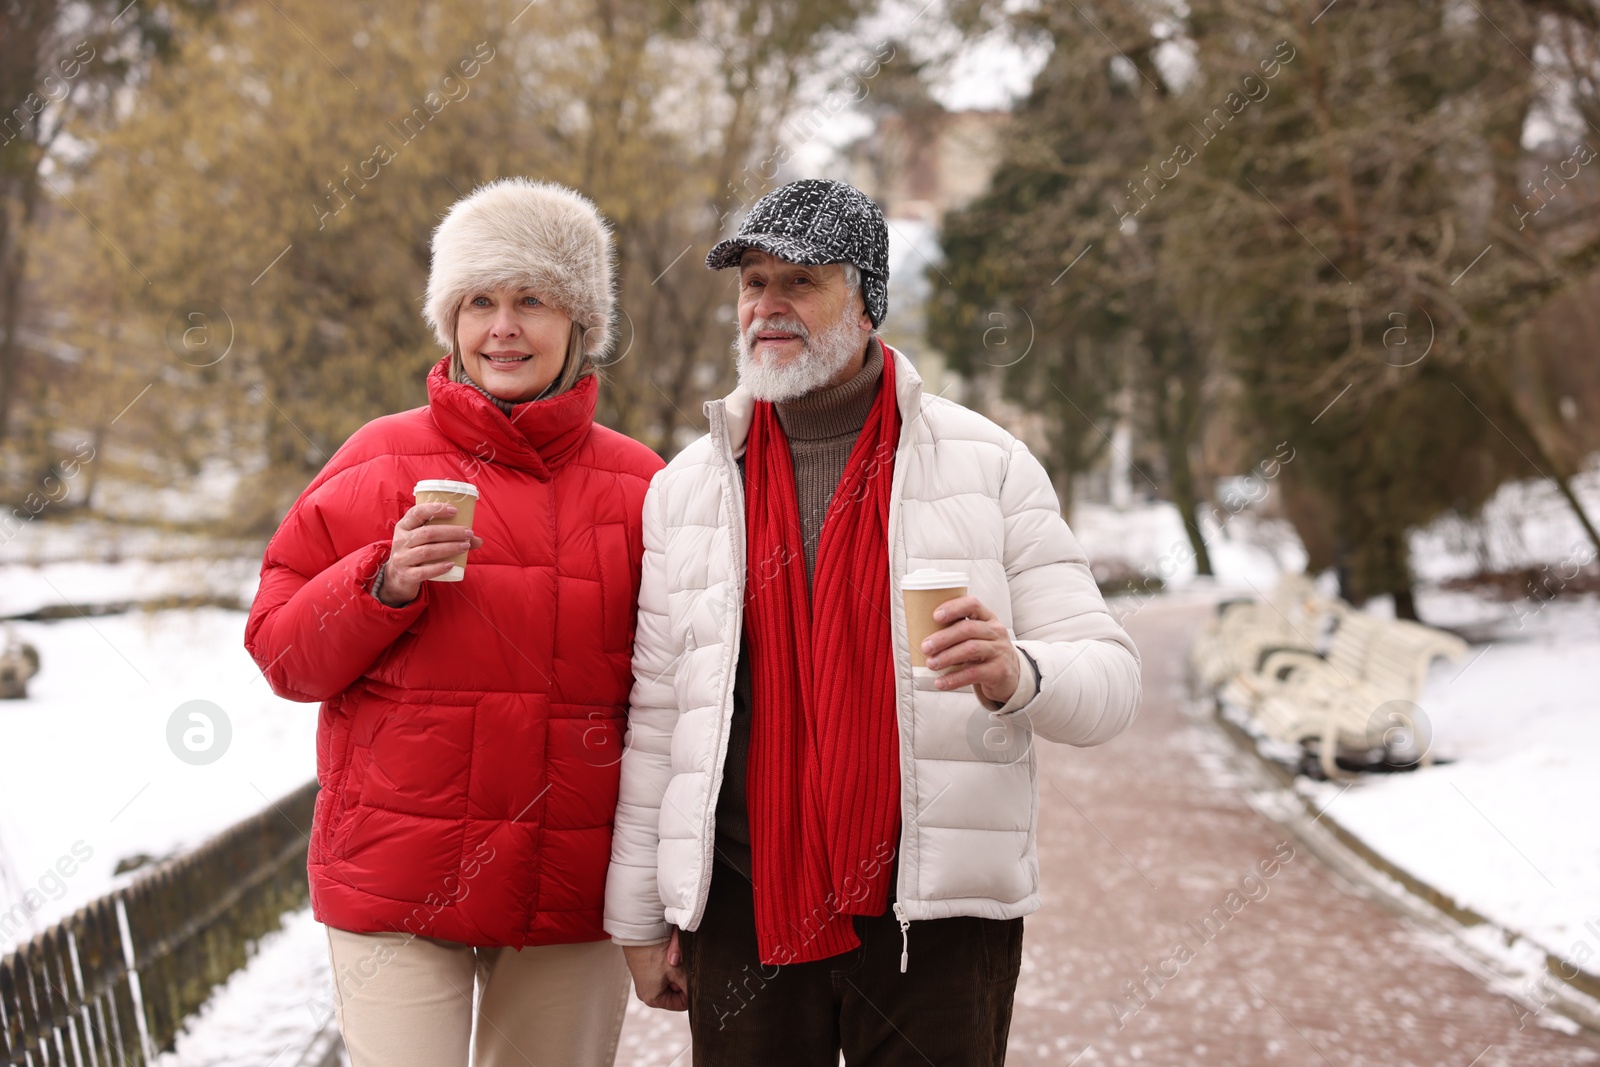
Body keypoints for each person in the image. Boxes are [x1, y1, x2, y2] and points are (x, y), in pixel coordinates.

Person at [605, 179, 1142, 1065]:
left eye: (800, 282)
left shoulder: (989, 466)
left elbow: (1111, 683)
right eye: (752, 284)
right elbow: (661, 721)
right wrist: (636, 914)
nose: (767, 306)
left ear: (868, 303)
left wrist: (1018, 673)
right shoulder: (688, 489)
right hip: (746, 899)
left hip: (932, 913)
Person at [245, 178, 664, 1067]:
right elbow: (284, 655)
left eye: (531, 300)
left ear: (580, 323)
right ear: (451, 319)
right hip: (394, 881)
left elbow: (681, 694)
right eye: (480, 301)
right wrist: (382, 579)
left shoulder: (643, 487)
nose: (502, 326)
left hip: (569, 889)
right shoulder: (376, 459)